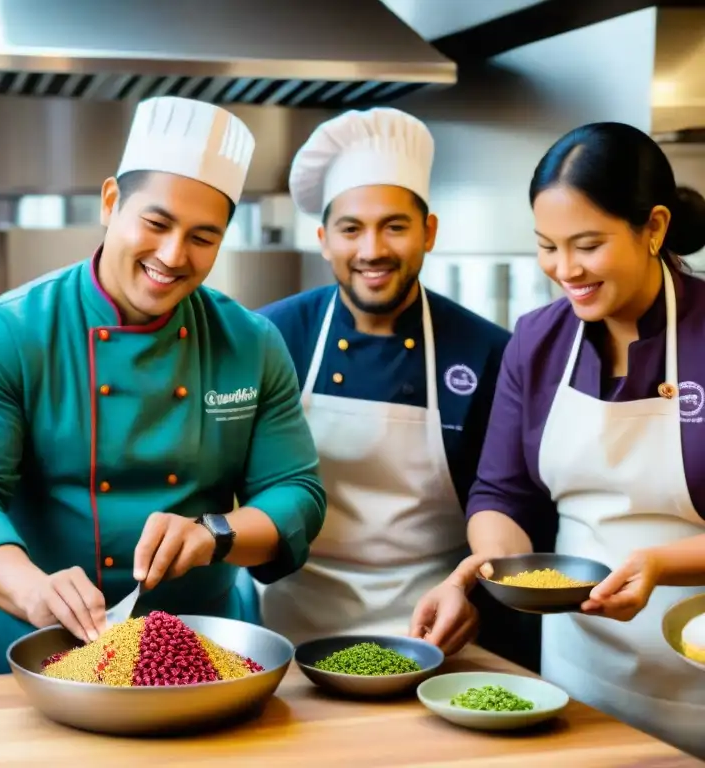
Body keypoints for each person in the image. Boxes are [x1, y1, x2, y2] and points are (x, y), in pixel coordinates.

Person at [0, 95, 326, 675]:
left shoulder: (251, 342)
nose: (173, 256)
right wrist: (32, 589)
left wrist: (214, 533)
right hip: (39, 646)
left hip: (199, 652)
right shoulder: (11, 331)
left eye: (202, 237)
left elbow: (297, 493)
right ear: (111, 200)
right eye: (157, 223)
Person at [412, 122, 705, 758]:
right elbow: (502, 493)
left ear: (653, 228)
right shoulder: (537, 340)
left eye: (588, 245)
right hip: (577, 672)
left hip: (696, 675)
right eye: (547, 247)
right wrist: (485, 570)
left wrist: (659, 564)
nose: (564, 270)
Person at [254, 108, 536, 667]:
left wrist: (474, 593)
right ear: (323, 239)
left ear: (428, 232)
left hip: (441, 632)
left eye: (395, 226)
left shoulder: (489, 352)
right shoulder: (270, 337)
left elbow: (511, 501)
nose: (373, 250)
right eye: (351, 228)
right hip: (283, 631)